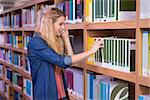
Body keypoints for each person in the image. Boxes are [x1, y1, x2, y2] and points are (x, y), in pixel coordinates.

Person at [27, 7, 103, 100]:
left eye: (64, 24)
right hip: (47, 96)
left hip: (62, 95)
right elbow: (62, 61)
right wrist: (91, 51)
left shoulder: (55, 41)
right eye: (60, 24)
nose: (63, 27)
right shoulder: (36, 43)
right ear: (50, 24)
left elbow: (72, 62)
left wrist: (66, 39)